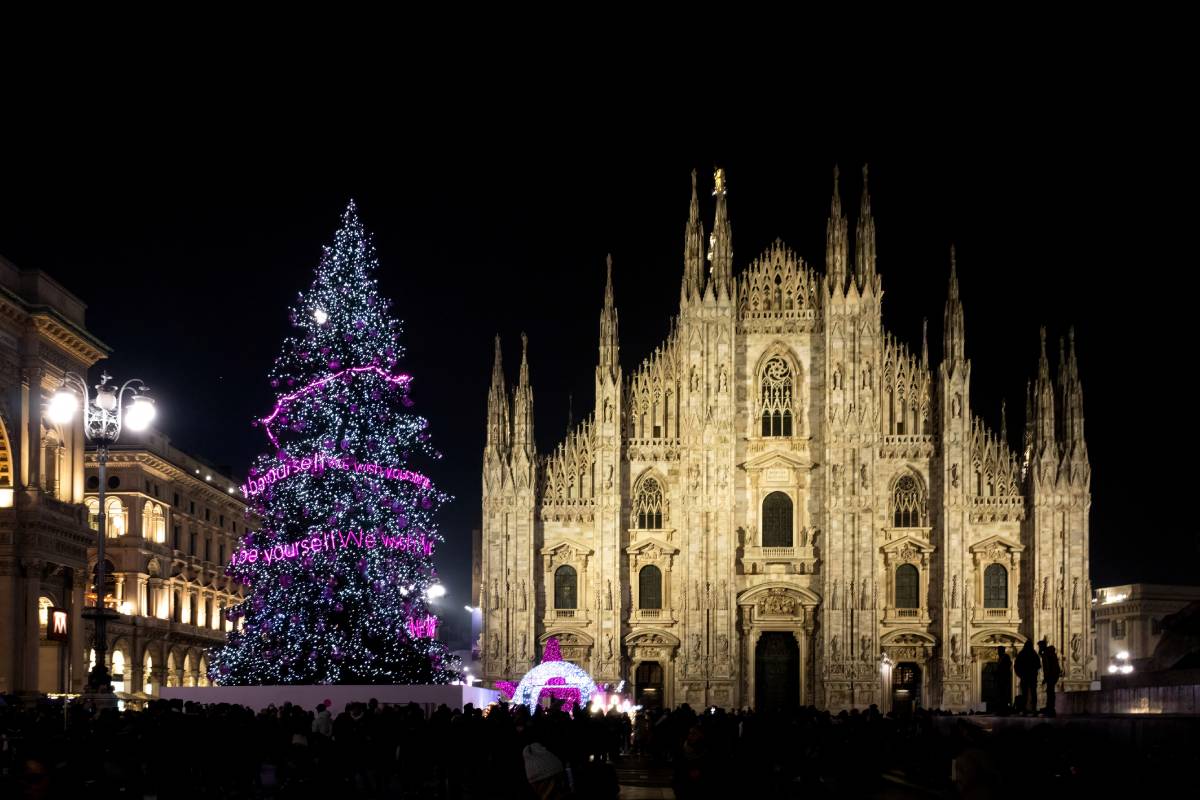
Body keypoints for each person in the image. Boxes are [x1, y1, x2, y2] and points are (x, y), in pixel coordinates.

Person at [1014, 640, 1040, 716]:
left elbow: (1016, 665)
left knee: (1025, 694)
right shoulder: (1033, 654)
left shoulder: (1022, 654)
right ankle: (1033, 709)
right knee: (1032, 693)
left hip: (1025, 676)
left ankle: (1025, 709)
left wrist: (1020, 674)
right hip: (1031, 676)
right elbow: (1038, 665)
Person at [1040, 640, 1061, 716]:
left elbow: (1047, 667)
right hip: (1053, 675)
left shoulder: (1046, 654)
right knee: (1050, 691)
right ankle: (1050, 707)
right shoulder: (1048, 653)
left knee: (1050, 692)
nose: (1039, 648)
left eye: (1040, 646)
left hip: (1051, 675)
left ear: (1042, 646)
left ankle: (1050, 708)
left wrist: (1046, 678)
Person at [994, 646, 1013, 715]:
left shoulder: (1005, 657)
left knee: (1004, 695)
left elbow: (1006, 666)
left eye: (999, 650)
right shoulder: (1001, 658)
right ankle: (1001, 709)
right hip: (1001, 679)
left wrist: (999, 671)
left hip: (1004, 679)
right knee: (1000, 695)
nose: (998, 652)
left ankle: (1004, 710)